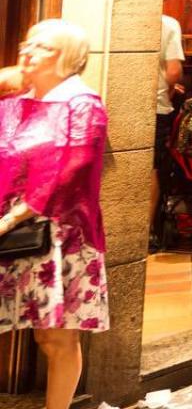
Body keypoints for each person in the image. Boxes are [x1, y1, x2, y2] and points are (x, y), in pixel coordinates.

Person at [0, 21, 108, 409]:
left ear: (65, 56)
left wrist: (12, 219)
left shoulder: (83, 104)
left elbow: (71, 170)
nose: (27, 51)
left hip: (61, 236)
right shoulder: (16, 102)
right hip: (9, 226)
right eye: (25, 43)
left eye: (41, 47)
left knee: (56, 337)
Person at [151, 14, 185, 249]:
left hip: (118, 104)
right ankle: (146, 231)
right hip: (156, 105)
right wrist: (169, 88)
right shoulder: (167, 24)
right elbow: (173, 71)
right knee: (151, 168)